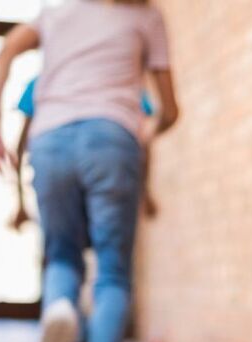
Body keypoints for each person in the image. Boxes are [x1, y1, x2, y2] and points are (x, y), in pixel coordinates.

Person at [0, 0, 179, 342]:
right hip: (111, 136)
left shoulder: (56, 13)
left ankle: (59, 307)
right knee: (112, 270)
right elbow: (169, 108)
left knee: (61, 256)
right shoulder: (145, 16)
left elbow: (7, 48)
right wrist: (147, 132)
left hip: (49, 140)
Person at [9, 78, 160, 230]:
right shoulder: (123, 78)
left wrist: (145, 192)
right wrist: (20, 203)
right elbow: (142, 141)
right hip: (95, 171)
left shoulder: (122, 77)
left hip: (88, 172)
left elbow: (142, 141)